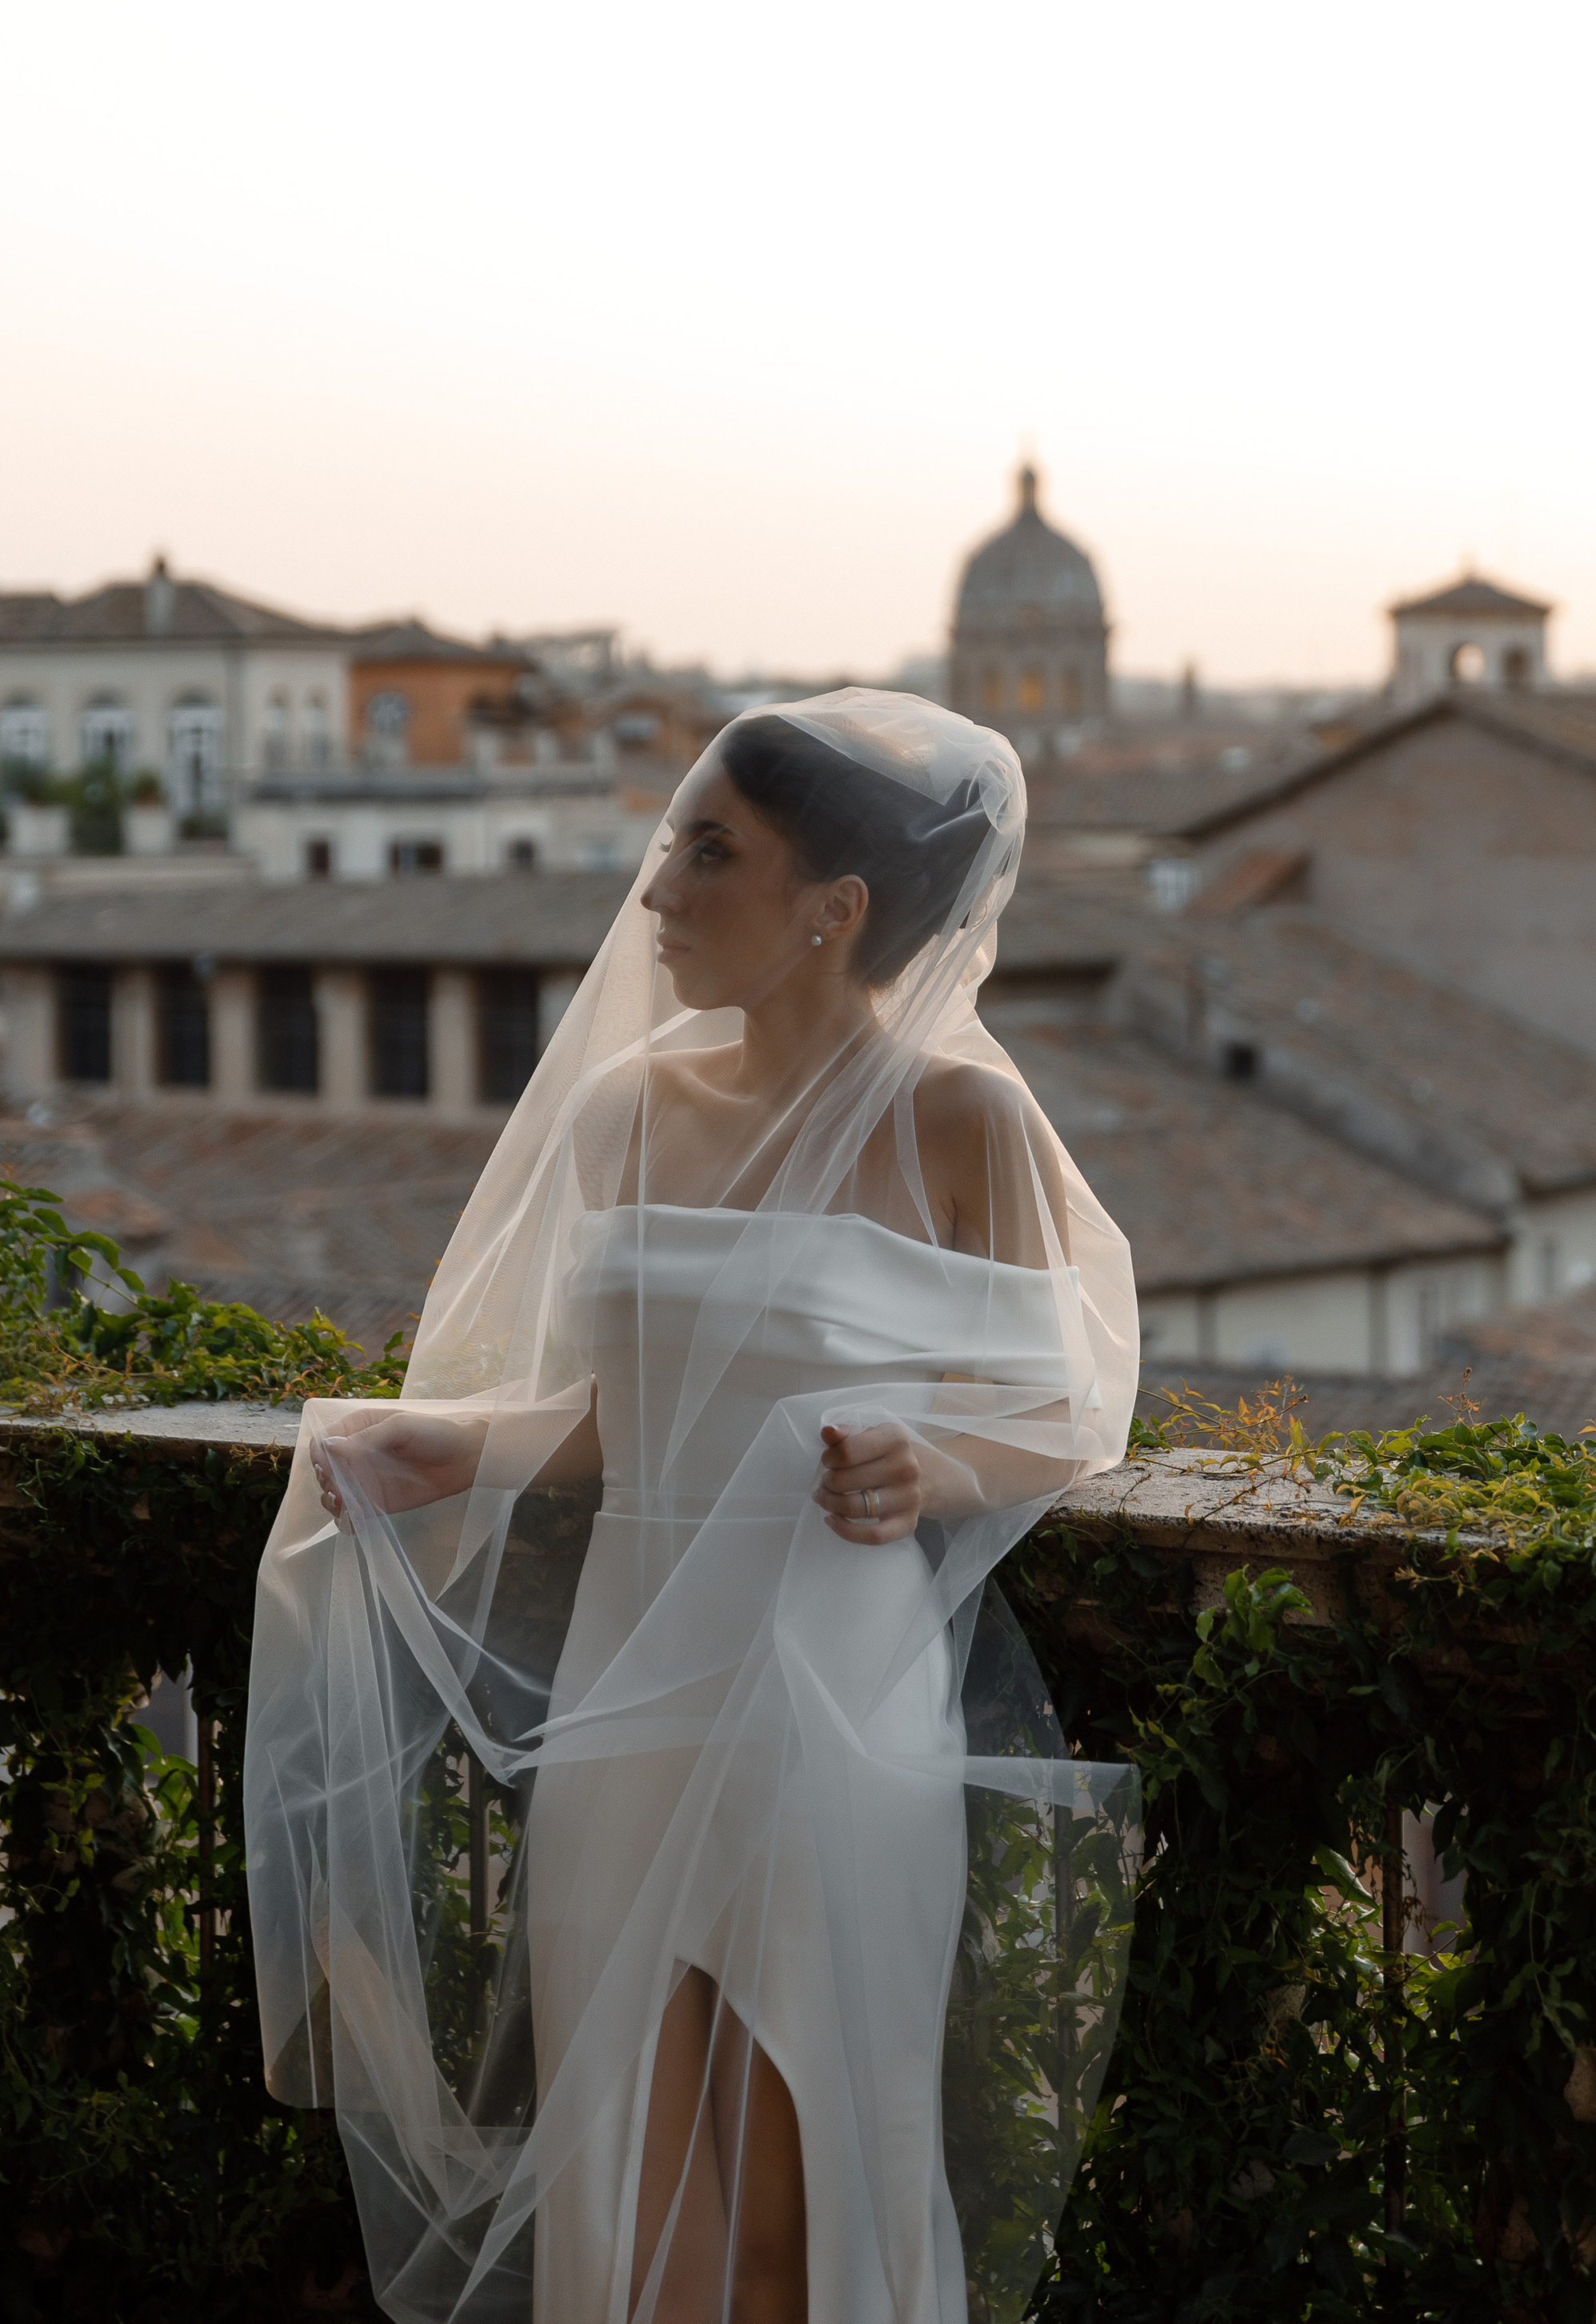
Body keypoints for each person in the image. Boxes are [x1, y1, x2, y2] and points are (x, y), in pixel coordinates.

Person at [245, 694, 1140, 2324]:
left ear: (834, 909)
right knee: (628, 2173)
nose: (654, 889)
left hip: (828, 1697)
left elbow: (1060, 1413)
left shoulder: (962, 1120)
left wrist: (935, 1469)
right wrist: (445, 1447)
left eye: (705, 850)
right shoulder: (623, 1114)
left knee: (805, 2188)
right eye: (669, 843)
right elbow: (617, 1419)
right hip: (626, 1695)